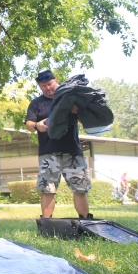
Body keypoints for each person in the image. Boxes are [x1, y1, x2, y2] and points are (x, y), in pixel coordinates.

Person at [25, 70, 92, 219]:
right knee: (47, 189)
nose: (47, 88)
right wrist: (37, 125)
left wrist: (77, 110)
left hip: (73, 151)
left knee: (80, 188)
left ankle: (86, 223)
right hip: (48, 152)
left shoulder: (70, 97)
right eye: (43, 86)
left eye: (49, 84)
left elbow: (86, 121)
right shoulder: (37, 103)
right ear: (40, 87)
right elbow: (28, 124)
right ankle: (46, 223)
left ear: (56, 80)